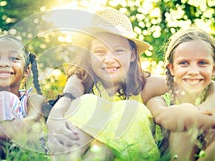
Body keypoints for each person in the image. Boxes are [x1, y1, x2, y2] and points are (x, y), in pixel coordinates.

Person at [46, 8, 215, 160]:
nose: (109, 59)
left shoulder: (145, 84)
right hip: (82, 147)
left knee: (135, 112)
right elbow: (67, 98)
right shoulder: (82, 79)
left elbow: (189, 82)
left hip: (129, 152)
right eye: (100, 52)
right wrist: (55, 119)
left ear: (132, 55)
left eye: (118, 51)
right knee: (86, 103)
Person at [147, 28, 215, 161]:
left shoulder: (213, 90)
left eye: (202, 63)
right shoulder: (159, 99)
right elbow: (164, 118)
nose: (193, 71)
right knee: (183, 125)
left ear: (213, 69)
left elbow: (209, 106)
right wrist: (191, 113)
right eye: (184, 63)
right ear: (172, 68)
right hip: (174, 155)